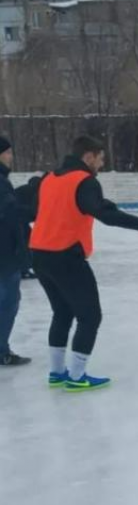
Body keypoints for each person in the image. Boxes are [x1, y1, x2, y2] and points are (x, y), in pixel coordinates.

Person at [30, 136, 138, 391]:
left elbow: (40, 209)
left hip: (39, 254)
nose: (101, 164)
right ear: (88, 156)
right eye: (100, 158)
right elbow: (105, 215)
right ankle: (77, 377)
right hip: (65, 255)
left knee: (62, 312)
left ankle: (57, 372)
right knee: (90, 316)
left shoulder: (49, 179)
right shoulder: (84, 180)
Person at [0, 137, 30, 367]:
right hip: (4, 256)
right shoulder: (1, 183)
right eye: (8, 152)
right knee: (8, 301)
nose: (11, 156)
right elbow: (12, 214)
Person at [14, 176, 42, 280]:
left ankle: (23, 268)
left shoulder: (23, 189)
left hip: (15, 219)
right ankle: (23, 270)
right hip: (17, 219)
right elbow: (35, 210)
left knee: (24, 242)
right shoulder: (37, 192)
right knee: (25, 243)